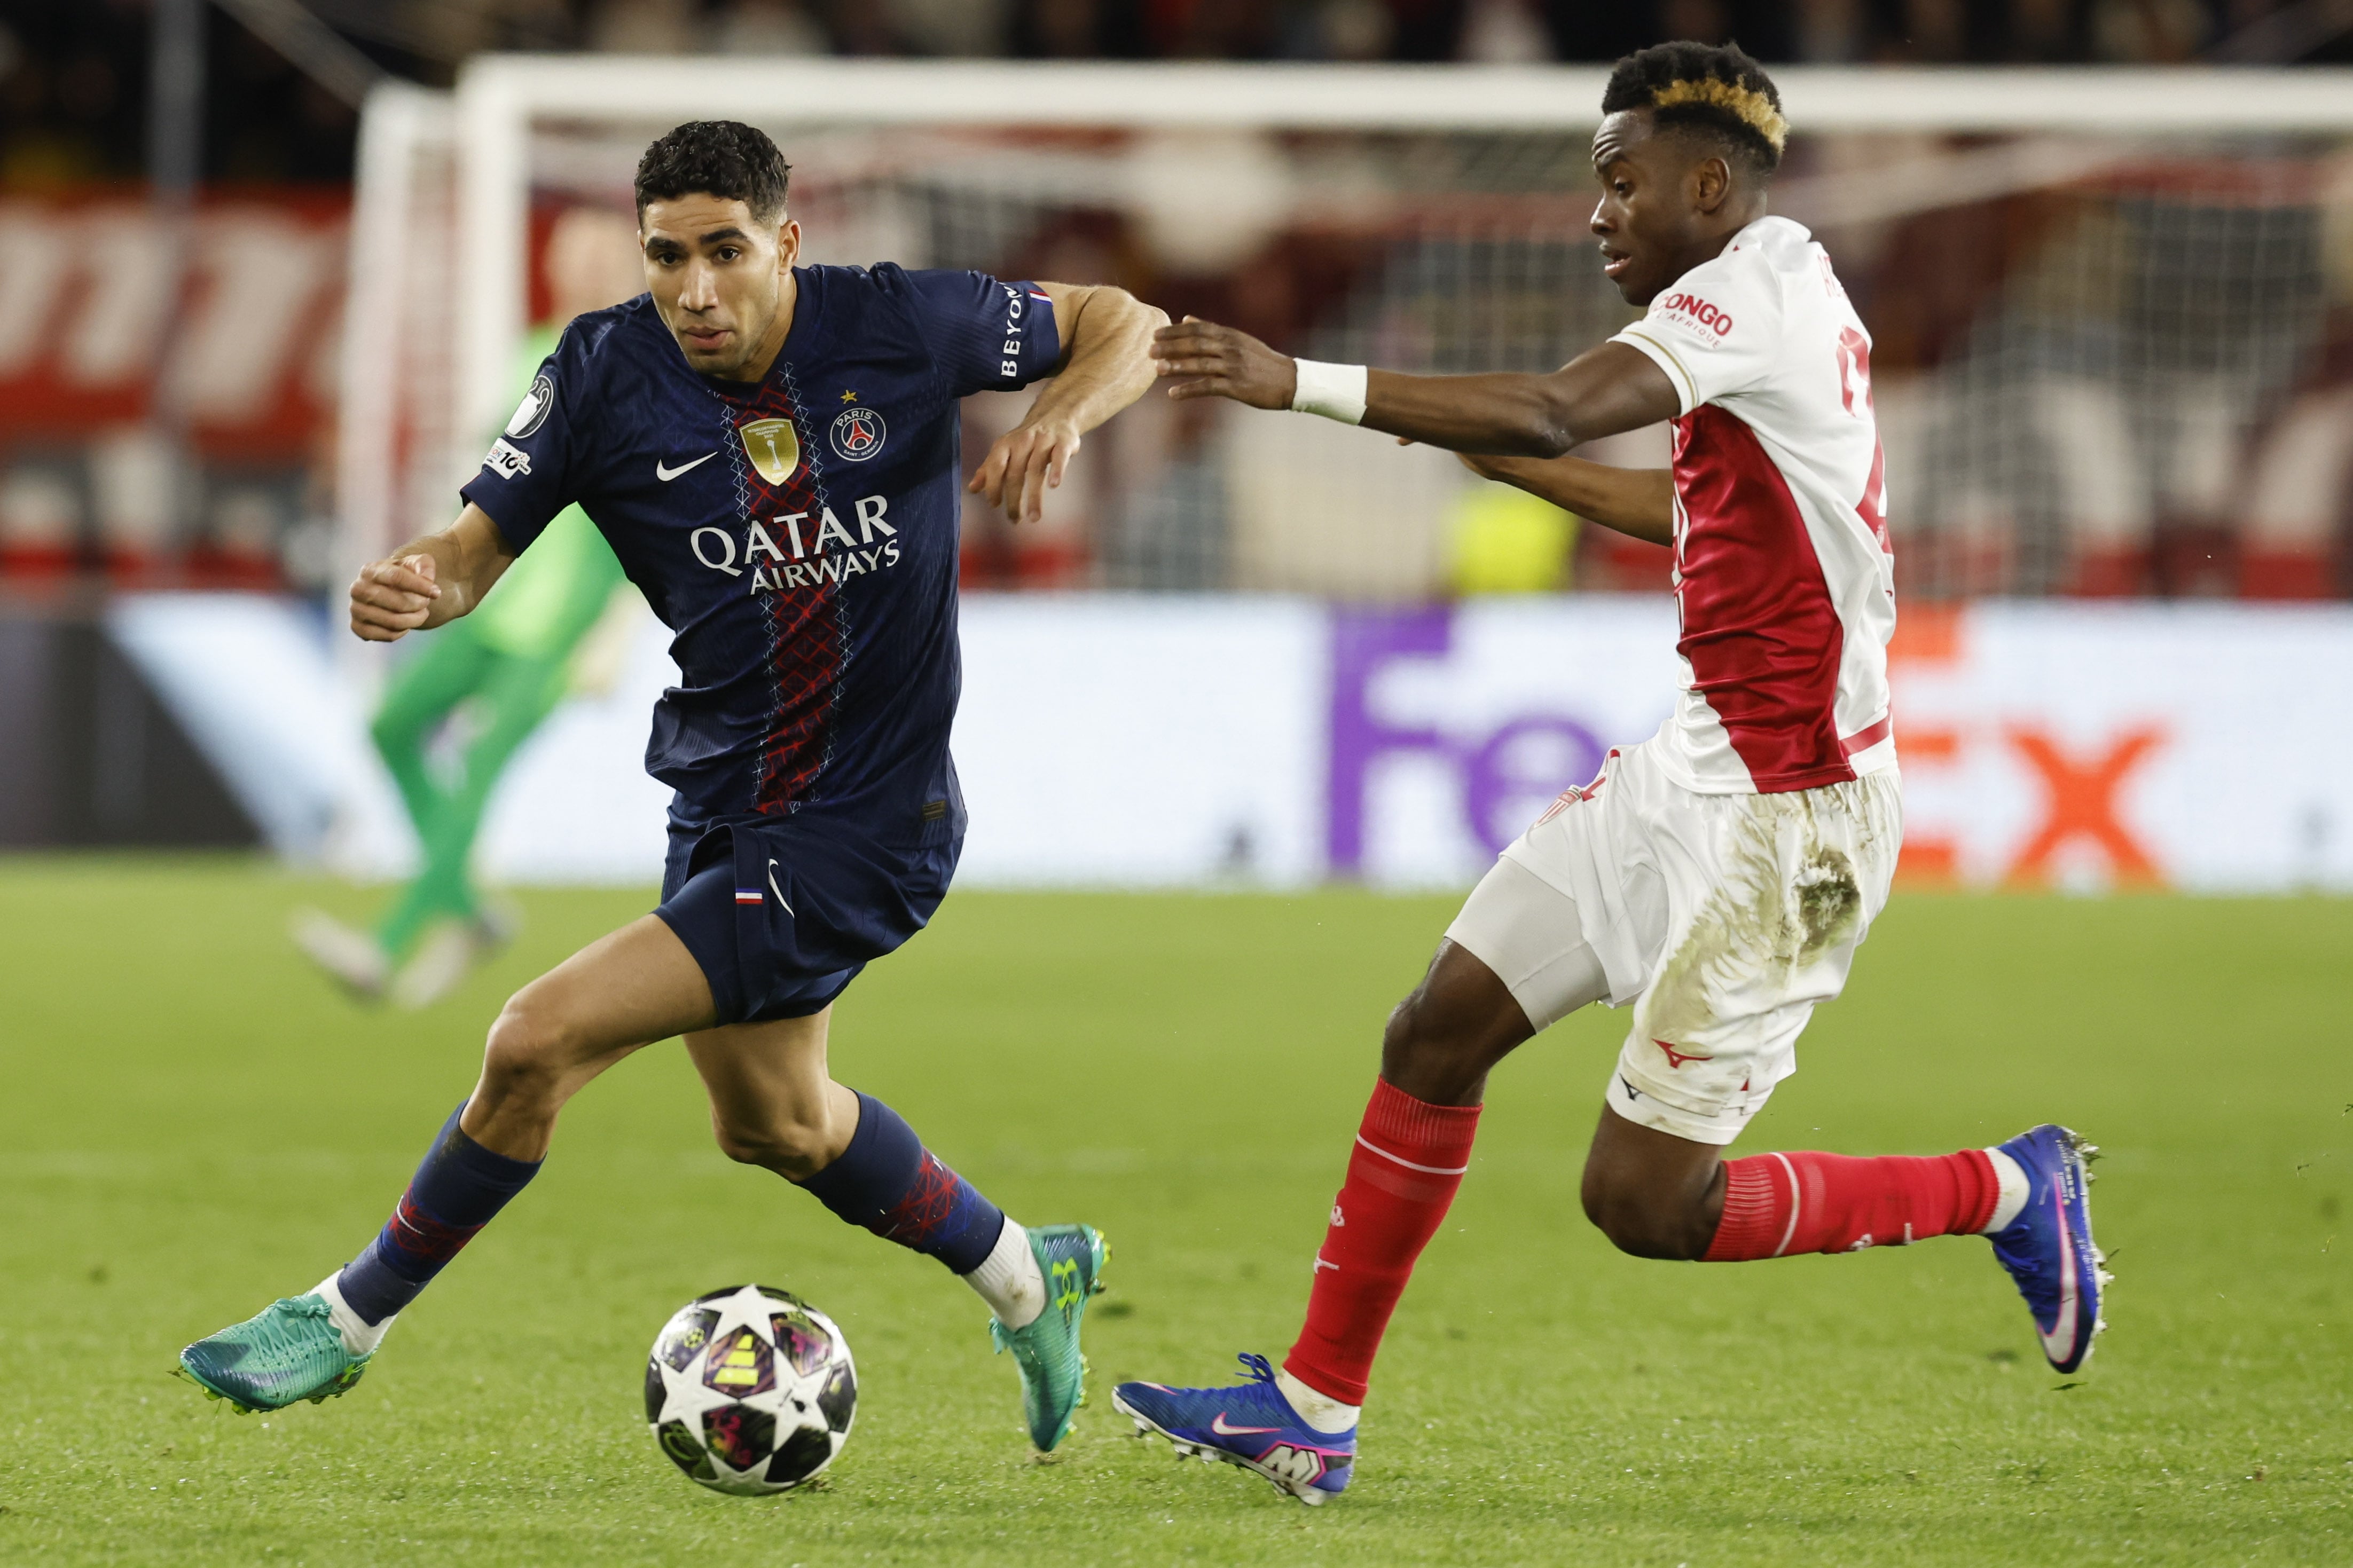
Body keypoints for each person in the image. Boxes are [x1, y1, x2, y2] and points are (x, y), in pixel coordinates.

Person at [1111, 42, 2107, 1505]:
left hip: (1794, 823)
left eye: (1620, 180)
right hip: (1689, 768)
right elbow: (1683, 508)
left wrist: (1300, 383)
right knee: (1434, 1029)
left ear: (1709, 184)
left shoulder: (1743, 293)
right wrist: (1490, 454)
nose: (1596, 211)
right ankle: (1314, 1408)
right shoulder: (1772, 303)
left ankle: (2010, 1187)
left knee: (1642, 1205)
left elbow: (1553, 411)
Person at [176, 121, 1166, 1456]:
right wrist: (424, 582)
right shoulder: (599, 370)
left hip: (869, 823)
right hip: (722, 801)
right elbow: (474, 551)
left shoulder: (900, 324)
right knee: (779, 1123)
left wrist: (1058, 408)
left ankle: (342, 1319)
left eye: (724, 252)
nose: (695, 287)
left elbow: (1125, 319)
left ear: (784, 246)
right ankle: (1025, 1273)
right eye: (666, 257)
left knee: (533, 1038)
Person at [294, 207, 645, 1008]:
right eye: (573, 258)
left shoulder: (639, 368)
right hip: (488, 606)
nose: (584, 272)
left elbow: (648, 510)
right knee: (390, 724)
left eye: (599, 259)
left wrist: (615, 633)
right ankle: (466, 906)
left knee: (479, 775)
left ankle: (385, 949)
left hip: (563, 625)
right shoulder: (531, 356)